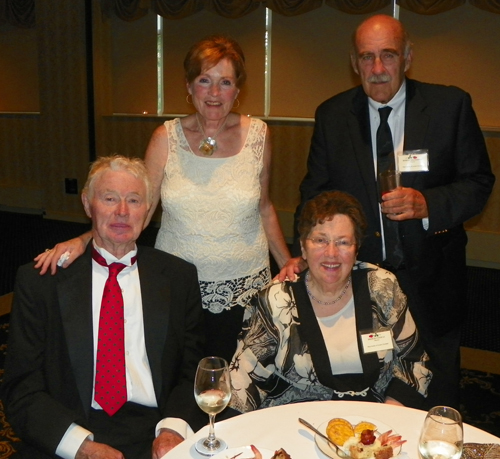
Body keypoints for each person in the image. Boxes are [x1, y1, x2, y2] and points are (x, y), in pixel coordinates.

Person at [280, 14, 495, 409]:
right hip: (361, 285)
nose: (377, 69)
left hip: (433, 281)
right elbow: (314, 194)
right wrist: (302, 252)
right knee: (370, 389)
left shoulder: (449, 106)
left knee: (438, 394)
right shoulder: (333, 115)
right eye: (367, 57)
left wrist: (428, 204)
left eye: (388, 56)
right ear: (354, 62)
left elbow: (478, 183)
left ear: (408, 57)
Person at [34, 35, 291, 363]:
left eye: (225, 82)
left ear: (237, 90)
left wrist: (287, 264)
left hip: (246, 286)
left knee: (240, 381)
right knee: (180, 376)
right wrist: (84, 241)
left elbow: (264, 206)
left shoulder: (259, 135)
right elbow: (139, 210)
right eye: (204, 81)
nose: (214, 93)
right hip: (176, 285)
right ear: (189, 85)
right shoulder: (165, 138)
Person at [1, 156, 206, 459]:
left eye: (134, 200)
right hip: (70, 426)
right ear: (87, 204)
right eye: (110, 198)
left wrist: (172, 429)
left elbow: (194, 371)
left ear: (148, 209)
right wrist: (79, 447)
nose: (122, 212)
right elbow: (21, 387)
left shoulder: (178, 277)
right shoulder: (41, 281)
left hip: (157, 426)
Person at [228, 191, 432, 414]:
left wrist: (390, 414)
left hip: (374, 426)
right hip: (296, 427)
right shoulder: (275, 301)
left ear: (356, 250)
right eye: (320, 240)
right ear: (303, 249)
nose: (332, 253)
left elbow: (413, 361)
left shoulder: (381, 286)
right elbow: (244, 381)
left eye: (343, 242)